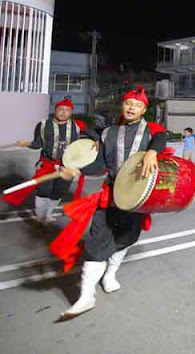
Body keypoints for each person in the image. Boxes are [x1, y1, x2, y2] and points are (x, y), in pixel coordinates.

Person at [56, 87, 167, 319]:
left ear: (144, 110)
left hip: (136, 196)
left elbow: (161, 137)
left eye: (136, 105)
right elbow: (100, 165)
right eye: (128, 103)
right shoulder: (108, 132)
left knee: (127, 237)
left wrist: (152, 152)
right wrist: (76, 170)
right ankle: (86, 296)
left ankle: (109, 275)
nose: (131, 108)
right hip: (109, 195)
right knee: (97, 239)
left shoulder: (151, 131)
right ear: (122, 106)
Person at [3, 98, 99, 224]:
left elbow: (95, 135)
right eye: (61, 109)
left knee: (59, 191)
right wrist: (27, 144)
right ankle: (41, 215)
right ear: (55, 110)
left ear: (71, 112)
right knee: (43, 190)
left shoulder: (77, 125)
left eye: (67, 110)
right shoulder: (43, 125)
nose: (63, 113)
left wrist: (97, 140)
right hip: (47, 164)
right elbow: (37, 144)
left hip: (68, 166)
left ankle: (49, 212)